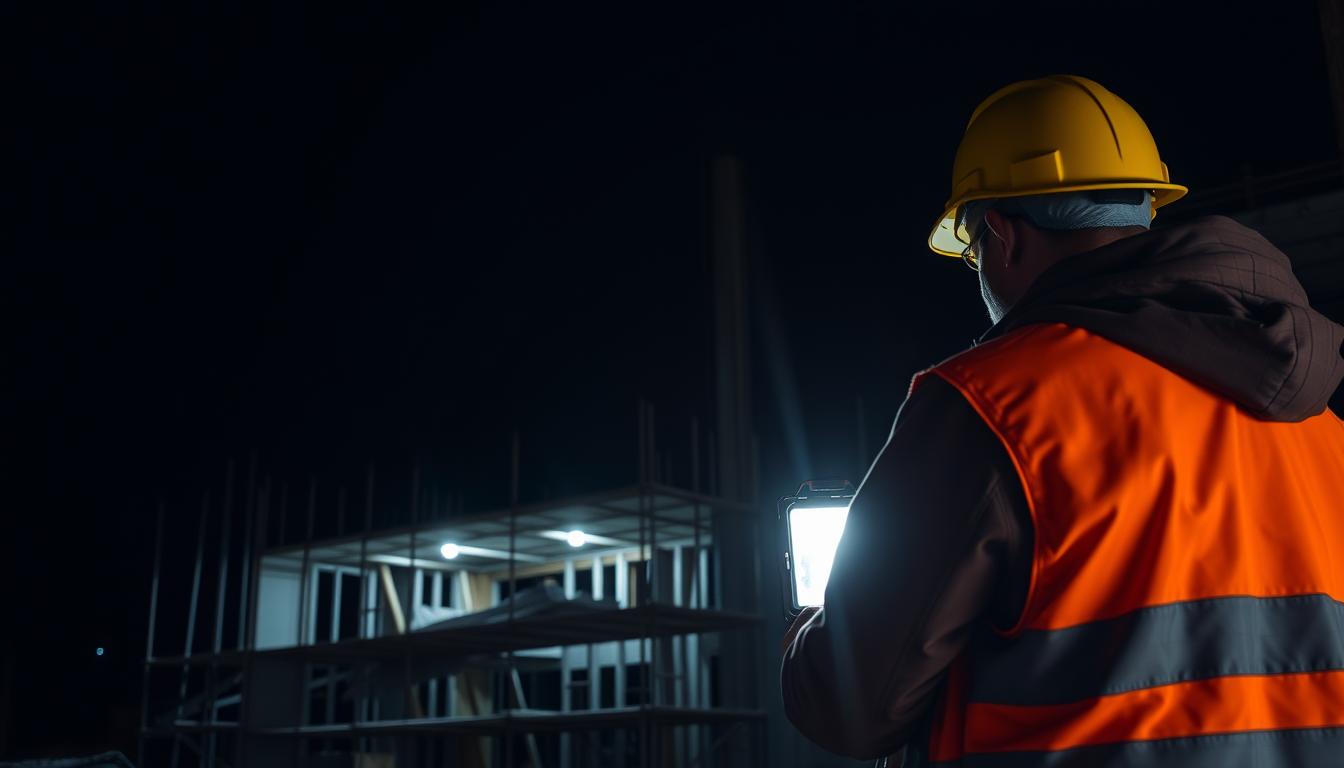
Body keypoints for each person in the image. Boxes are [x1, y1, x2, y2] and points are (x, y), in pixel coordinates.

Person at [780, 75, 1344, 767]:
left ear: (1002, 237)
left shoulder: (993, 402)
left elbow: (851, 708)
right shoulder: (1320, 423)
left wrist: (810, 639)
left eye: (973, 255)